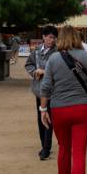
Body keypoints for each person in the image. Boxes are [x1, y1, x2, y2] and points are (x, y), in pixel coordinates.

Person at [39, 25, 87, 174]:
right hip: (83, 108)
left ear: (61, 39)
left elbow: (46, 86)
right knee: (79, 153)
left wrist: (43, 109)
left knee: (64, 150)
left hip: (59, 108)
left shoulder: (53, 59)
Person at [23, 26, 58, 160]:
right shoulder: (36, 51)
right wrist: (34, 72)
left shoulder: (57, 52)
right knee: (40, 118)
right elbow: (28, 64)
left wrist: (45, 72)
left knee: (48, 118)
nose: (52, 40)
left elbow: (59, 69)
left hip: (51, 92)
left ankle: (46, 148)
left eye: (54, 38)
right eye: (50, 37)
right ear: (43, 37)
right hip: (38, 90)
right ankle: (43, 144)